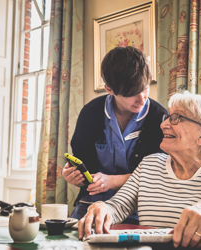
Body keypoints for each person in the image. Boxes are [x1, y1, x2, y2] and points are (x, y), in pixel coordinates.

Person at [78, 91, 201, 248]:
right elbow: (117, 206)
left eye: (176, 118)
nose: (163, 124)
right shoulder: (149, 165)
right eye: (168, 117)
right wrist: (103, 207)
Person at [62, 46, 168, 223]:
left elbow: (159, 173)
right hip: (91, 202)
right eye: (132, 94)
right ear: (109, 89)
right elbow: (84, 166)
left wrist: (112, 181)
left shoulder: (160, 118)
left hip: (139, 205)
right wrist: (76, 177)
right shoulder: (90, 113)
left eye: (145, 89)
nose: (142, 100)